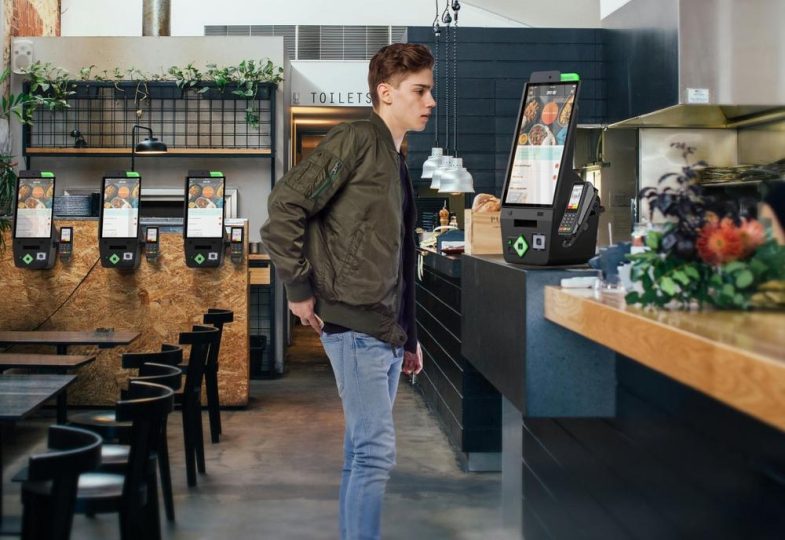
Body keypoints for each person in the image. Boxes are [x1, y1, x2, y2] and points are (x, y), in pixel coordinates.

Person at [260, 43, 434, 540]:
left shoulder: (395, 156)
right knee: (375, 452)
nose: (430, 101)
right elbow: (285, 206)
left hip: (383, 329)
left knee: (362, 452)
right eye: (419, 90)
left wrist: (409, 336)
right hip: (355, 325)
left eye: (430, 91)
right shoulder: (357, 139)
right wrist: (298, 289)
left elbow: (400, 256)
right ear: (386, 93)